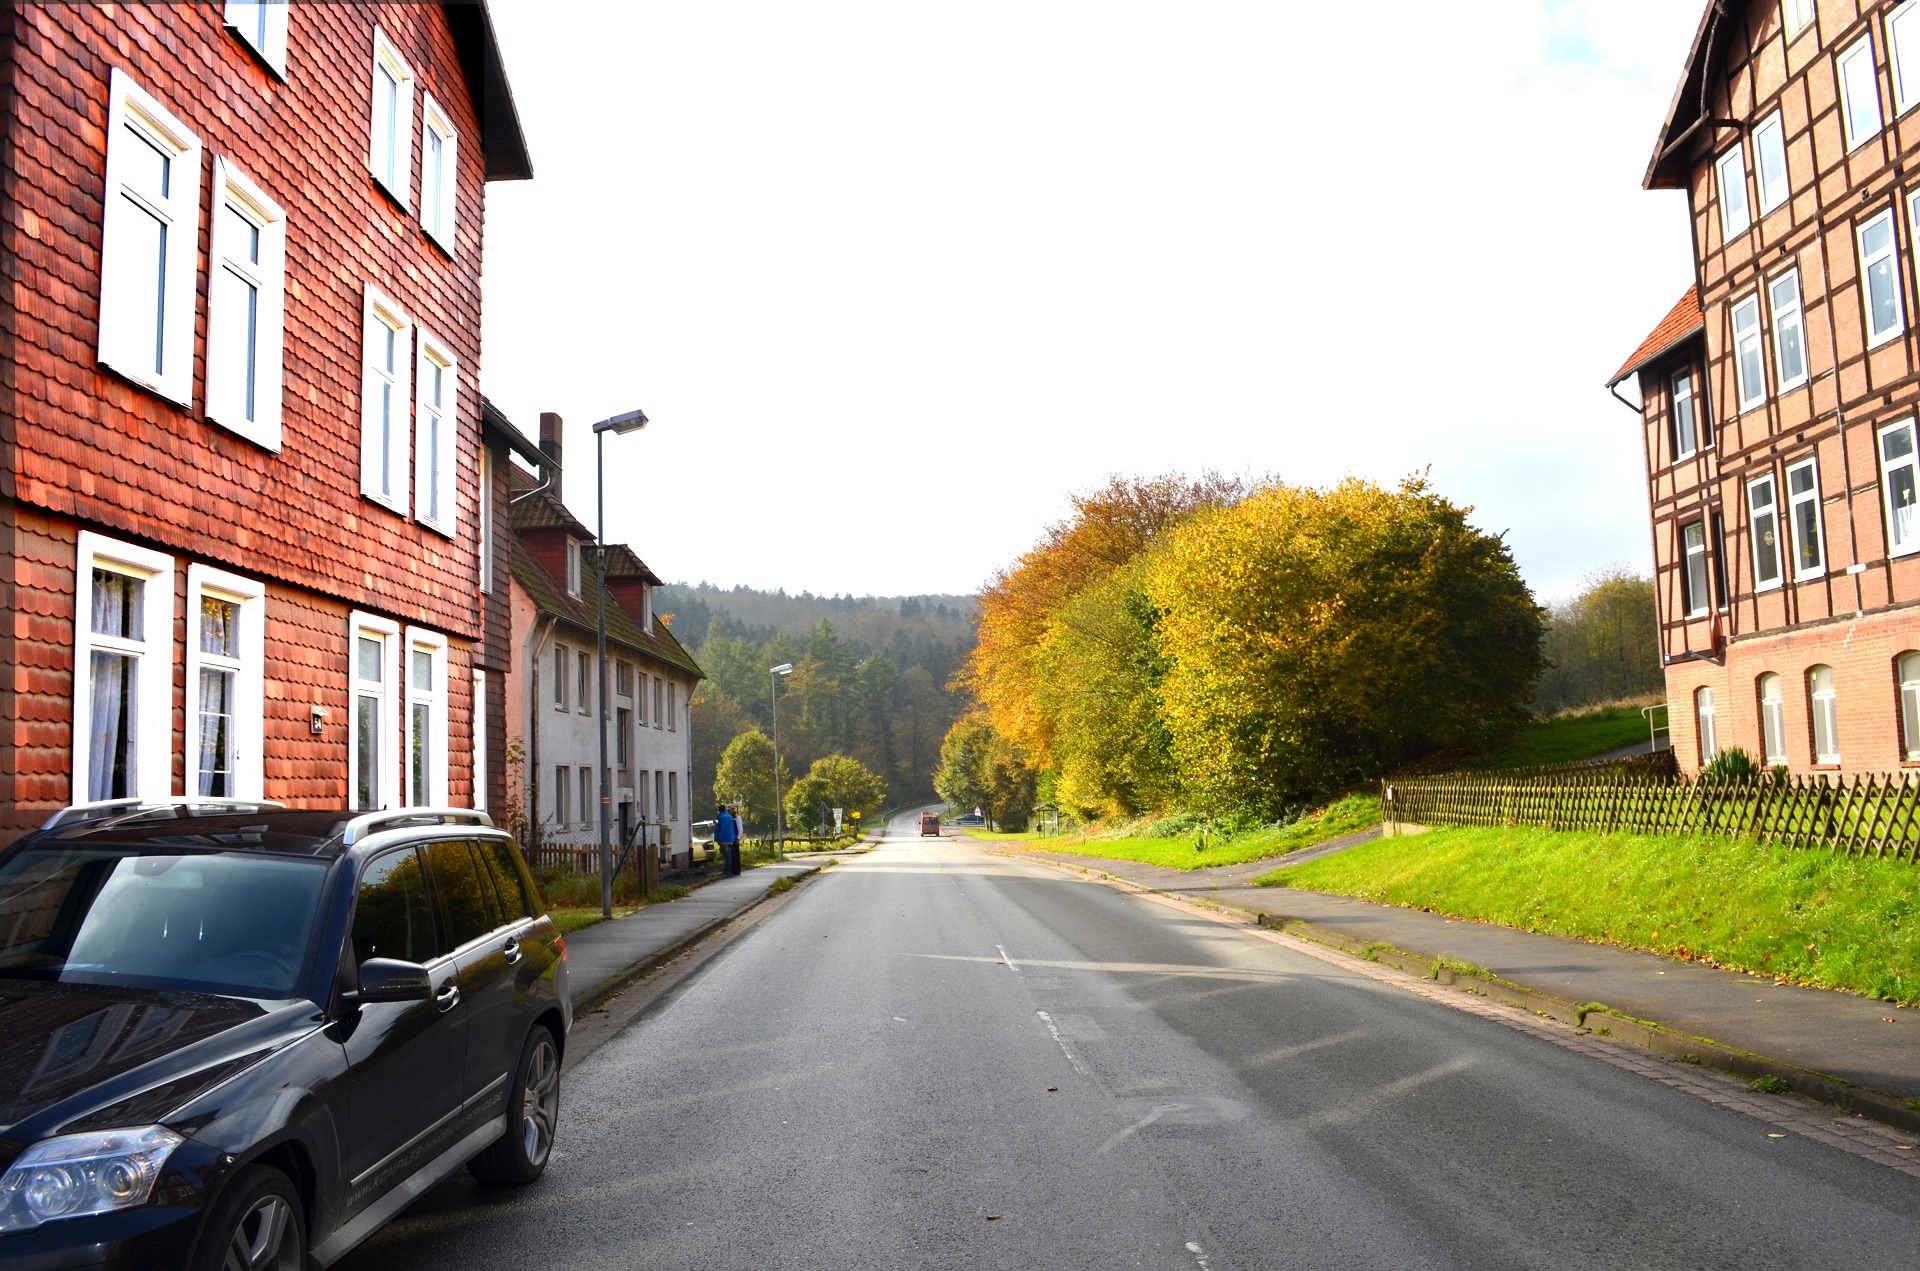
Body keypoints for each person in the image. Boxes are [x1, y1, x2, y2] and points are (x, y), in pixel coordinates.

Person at [714, 803, 741, 876]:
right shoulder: (730, 817)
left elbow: (722, 830)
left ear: (719, 811)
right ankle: (731, 869)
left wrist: (719, 840)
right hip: (731, 839)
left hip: (724, 839)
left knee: (727, 856)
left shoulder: (722, 818)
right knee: (729, 855)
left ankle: (727, 871)